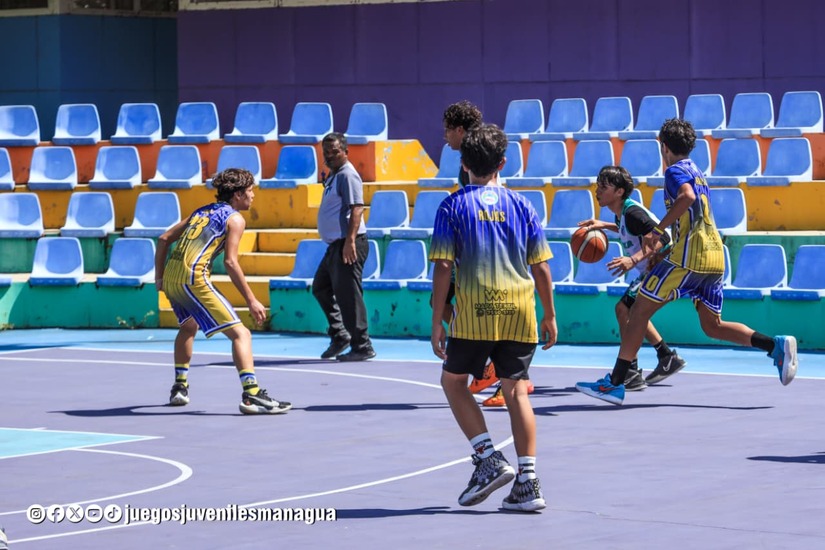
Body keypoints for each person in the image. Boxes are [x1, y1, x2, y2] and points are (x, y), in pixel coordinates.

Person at [576, 119, 798, 405]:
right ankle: (775, 346)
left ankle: (616, 383)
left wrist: (658, 230)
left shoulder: (673, 172)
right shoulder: (697, 171)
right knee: (712, 326)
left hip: (687, 257)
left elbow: (687, 197)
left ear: (664, 147)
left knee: (636, 311)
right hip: (715, 256)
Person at [430, 123, 557, 512]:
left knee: (453, 383)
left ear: (464, 163)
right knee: (518, 391)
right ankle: (528, 483)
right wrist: (549, 314)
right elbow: (542, 269)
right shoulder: (523, 206)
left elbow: (444, 267)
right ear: (503, 163)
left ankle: (487, 458)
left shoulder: (452, 206)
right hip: (521, 312)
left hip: (474, 312)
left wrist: (438, 318)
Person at [155, 168, 291, 415]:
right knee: (241, 334)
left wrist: (159, 277)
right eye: (250, 191)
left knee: (188, 327)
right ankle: (251, 395)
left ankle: (180, 387)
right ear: (238, 194)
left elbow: (164, 239)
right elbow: (230, 262)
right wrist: (251, 300)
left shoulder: (201, 212)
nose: (253, 196)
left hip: (173, 276)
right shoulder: (235, 219)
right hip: (193, 277)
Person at [577, 165, 687, 390]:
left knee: (623, 310)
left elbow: (663, 237)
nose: (598, 191)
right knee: (634, 312)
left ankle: (631, 370)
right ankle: (664, 357)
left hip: (660, 269)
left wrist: (633, 260)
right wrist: (604, 226)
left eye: (603, 187)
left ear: (619, 192)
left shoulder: (633, 213)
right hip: (653, 270)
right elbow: (627, 228)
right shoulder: (624, 213)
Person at [439, 101, 507, 399]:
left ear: (460, 130)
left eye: (447, 130)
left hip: (483, 251)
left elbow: (489, 199)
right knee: (439, 301)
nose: (445, 137)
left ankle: (504, 376)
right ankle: (489, 363)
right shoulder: (473, 158)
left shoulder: (477, 159)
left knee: (495, 317)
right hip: (475, 249)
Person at [313, 132, 376, 362]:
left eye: (335, 152)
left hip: (348, 243)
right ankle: (340, 335)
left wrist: (349, 241)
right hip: (335, 245)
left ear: (346, 152)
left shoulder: (348, 175)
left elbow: (357, 208)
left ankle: (362, 345)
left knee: (349, 296)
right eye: (326, 153)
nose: (329, 156)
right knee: (320, 287)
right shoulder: (333, 175)